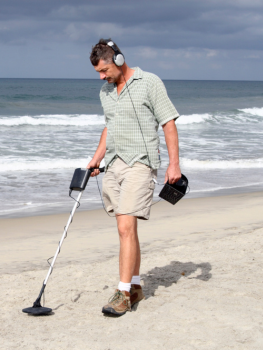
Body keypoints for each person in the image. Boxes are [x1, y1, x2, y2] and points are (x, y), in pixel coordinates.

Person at [87, 39, 182, 316]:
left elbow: (169, 122)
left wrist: (174, 164)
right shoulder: (106, 93)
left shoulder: (149, 82)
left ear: (118, 60)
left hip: (140, 165)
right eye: (98, 74)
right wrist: (96, 158)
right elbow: (110, 127)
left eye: (105, 71)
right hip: (114, 165)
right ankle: (137, 286)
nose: (102, 77)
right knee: (127, 229)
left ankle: (123, 293)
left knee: (125, 229)